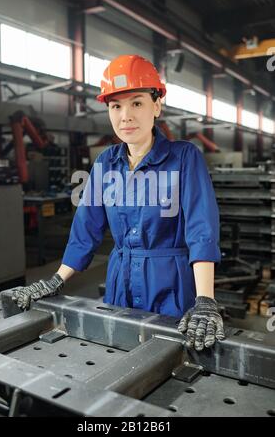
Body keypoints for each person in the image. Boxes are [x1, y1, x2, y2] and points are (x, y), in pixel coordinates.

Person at [12, 55, 225, 351]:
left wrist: (204, 300)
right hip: (119, 282)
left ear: (157, 105)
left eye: (136, 103)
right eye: (116, 106)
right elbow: (85, 229)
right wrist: (55, 280)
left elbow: (202, 229)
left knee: (170, 361)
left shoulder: (185, 158)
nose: (125, 116)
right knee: (118, 355)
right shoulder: (105, 164)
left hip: (171, 283)